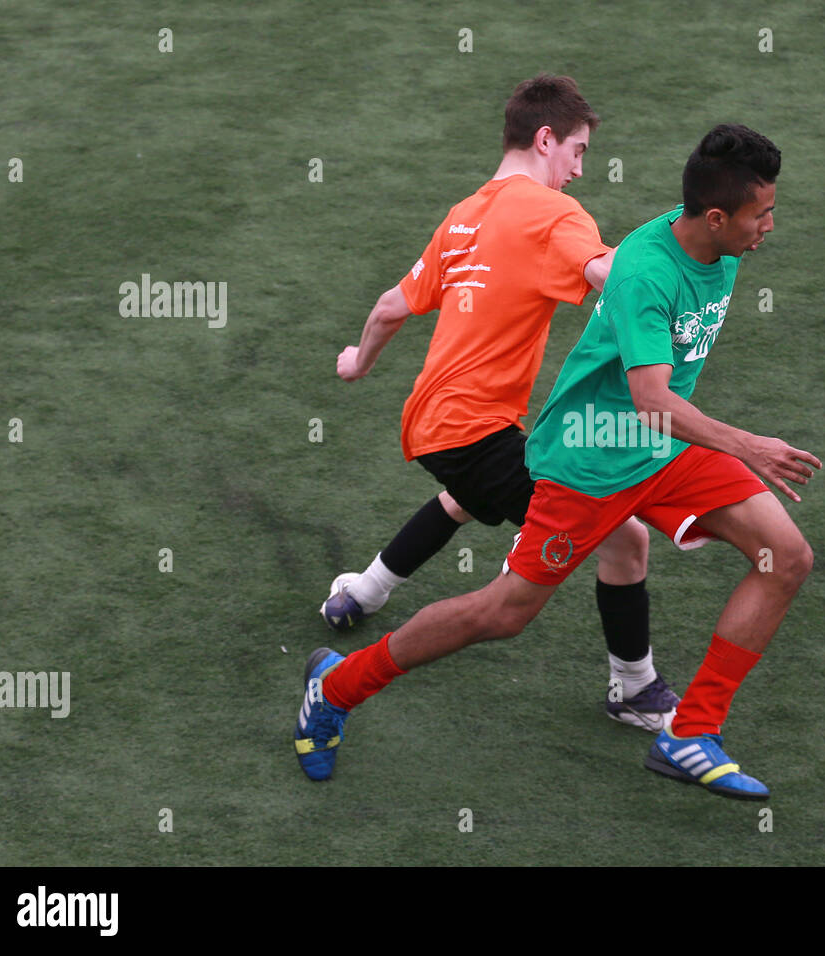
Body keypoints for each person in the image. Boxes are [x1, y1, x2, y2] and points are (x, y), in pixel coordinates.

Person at [296, 124, 819, 800]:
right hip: (592, 461)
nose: (770, 225)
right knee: (502, 614)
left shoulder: (726, 251)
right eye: (761, 213)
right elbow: (652, 399)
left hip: (662, 452)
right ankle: (334, 686)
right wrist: (751, 445)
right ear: (716, 217)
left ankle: (690, 732)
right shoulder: (645, 271)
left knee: (786, 557)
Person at [316, 73, 678, 736]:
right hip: (473, 432)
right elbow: (606, 273)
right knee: (623, 536)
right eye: (578, 151)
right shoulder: (553, 214)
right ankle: (633, 688)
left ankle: (363, 591)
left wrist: (355, 364)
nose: (578, 169)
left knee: (464, 495)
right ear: (546, 140)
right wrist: (667, 279)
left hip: (432, 426)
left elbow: (391, 306)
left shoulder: (462, 215)